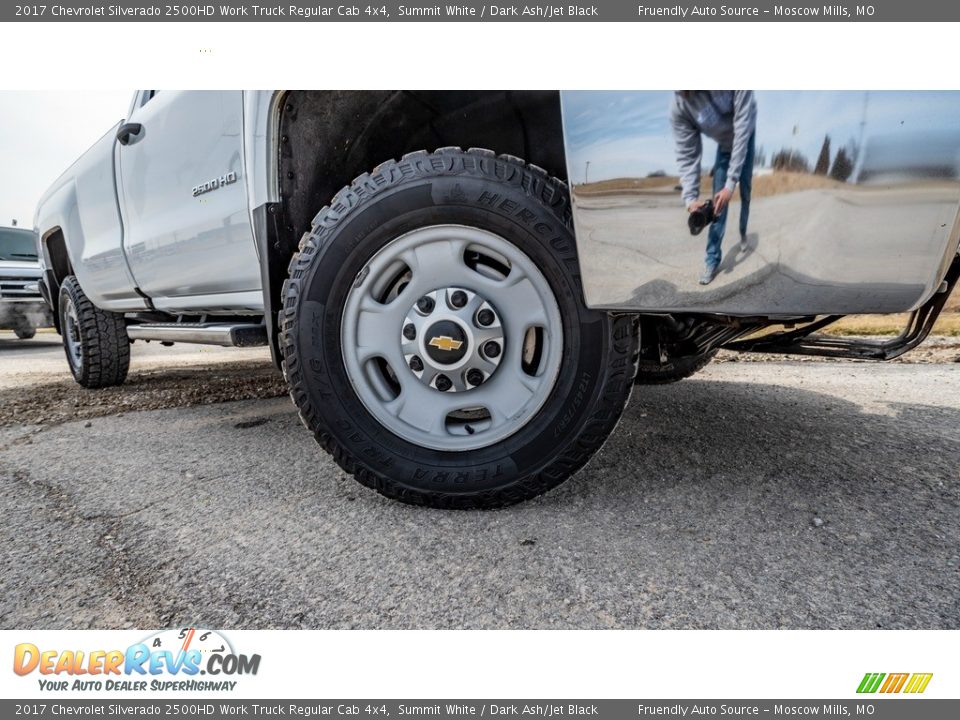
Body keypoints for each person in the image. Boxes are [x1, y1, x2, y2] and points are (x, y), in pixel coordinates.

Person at [671, 91, 757, 285]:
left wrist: (730, 183)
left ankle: (743, 233)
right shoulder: (680, 108)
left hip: (746, 138)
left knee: (745, 192)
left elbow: (742, 128)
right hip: (725, 148)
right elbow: (687, 155)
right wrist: (690, 199)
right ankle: (711, 260)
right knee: (717, 208)